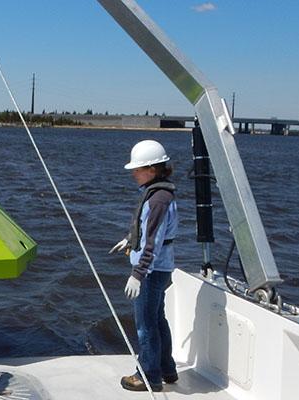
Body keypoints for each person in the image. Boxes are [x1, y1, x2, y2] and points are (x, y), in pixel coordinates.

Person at [109, 139, 179, 392]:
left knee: (145, 325)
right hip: (160, 269)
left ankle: (149, 376)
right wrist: (129, 239)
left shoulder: (157, 200)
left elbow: (154, 241)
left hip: (151, 272)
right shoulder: (159, 195)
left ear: (152, 169)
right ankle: (167, 369)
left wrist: (138, 274)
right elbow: (150, 230)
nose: (133, 174)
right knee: (158, 320)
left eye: (137, 169)